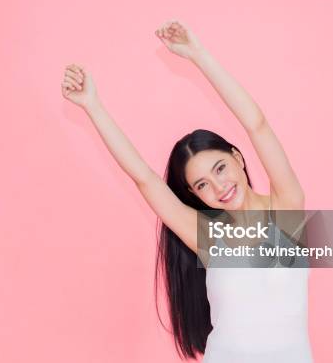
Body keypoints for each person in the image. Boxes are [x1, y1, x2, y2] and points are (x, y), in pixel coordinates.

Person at [61, 20, 312, 363]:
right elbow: (145, 179)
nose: (219, 187)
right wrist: (92, 105)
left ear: (237, 158)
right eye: (202, 185)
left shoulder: (287, 209)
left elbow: (258, 124)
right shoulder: (208, 236)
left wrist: (198, 55)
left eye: (220, 168)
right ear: (195, 195)